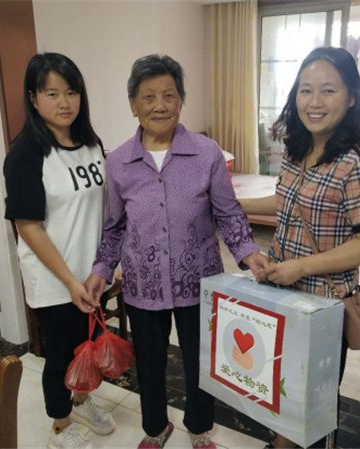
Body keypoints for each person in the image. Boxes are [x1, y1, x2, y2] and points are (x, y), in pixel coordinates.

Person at [87, 54, 270, 449]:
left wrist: (247, 251)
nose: (159, 105)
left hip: (198, 280)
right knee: (150, 363)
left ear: (181, 101)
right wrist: (101, 269)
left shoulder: (207, 154)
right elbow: (115, 226)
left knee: (199, 360)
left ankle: (199, 428)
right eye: (148, 96)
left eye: (168, 95)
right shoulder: (118, 162)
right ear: (132, 103)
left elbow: (227, 212)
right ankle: (155, 428)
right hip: (143, 284)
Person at [240, 47, 360, 448]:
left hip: (323, 304)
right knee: (281, 382)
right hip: (279, 292)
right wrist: (237, 203)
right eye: (306, 90)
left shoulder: (359, 163)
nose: (314, 102)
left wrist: (302, 267)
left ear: (351, 97)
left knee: (309, 399)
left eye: (328, 90)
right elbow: (286, 202)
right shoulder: (297, 151)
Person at [3, 52, 115, 449]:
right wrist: (70, 281)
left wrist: (103, 268)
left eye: (71, 92)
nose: (64, 102)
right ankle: (61, 424)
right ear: (33, 98)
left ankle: (82, 401)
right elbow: (29, 227)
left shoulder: (91, 144)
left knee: (89, 344)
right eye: (52, 94)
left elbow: (103, 210)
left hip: (92, 275)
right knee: (62, 353)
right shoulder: (26, 155)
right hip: (56, 281)